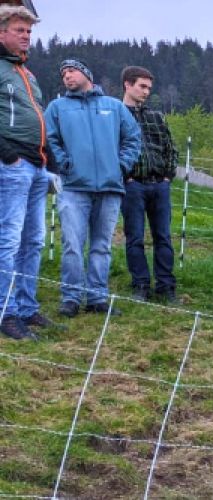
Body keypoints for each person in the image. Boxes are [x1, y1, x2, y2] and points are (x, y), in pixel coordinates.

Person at [45, 59, 141, 318]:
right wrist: (65, 165)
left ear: (87, 74)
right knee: (72, 244)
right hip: (74, 188)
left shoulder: (114, 107)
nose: (67, 76)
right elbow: (50, 139)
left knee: (101, 245)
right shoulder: (57, 108)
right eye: (63, 73)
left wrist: (121, 166)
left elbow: (133, 138)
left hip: (110, 188)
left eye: (72, 71)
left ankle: (98, 297)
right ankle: (71, 296)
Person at [0, 5, 47, 339]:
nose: (26, 37)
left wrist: (50, 158)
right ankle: (6, 312)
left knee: (34, 239)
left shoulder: (27, 74)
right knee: (9, 239)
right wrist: (8, 155)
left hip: (37, 165)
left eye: (29, 32)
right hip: (12, 165)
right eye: (20, 31)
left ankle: (27, 308)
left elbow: (39, 116)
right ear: (1, 33)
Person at [120, 66, 178, 304]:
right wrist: (125, 177)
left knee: (163, 236)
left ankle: (166, 285)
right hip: (132, 184)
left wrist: (167, 176)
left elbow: (170, 148)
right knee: (134, 237)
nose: (146, 92)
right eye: (142, 86)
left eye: (148, 88)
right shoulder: (116, 115)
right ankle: (141, 285)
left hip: (159, 184)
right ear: (127, 85)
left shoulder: (156, 117)